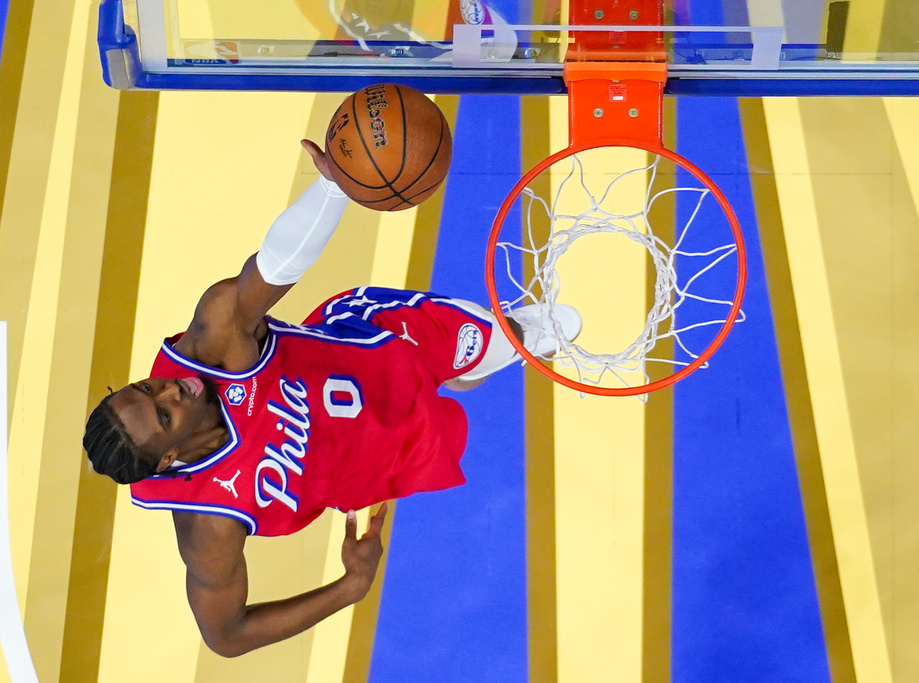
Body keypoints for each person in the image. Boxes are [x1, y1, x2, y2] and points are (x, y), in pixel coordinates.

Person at [82, 140, 580, 657]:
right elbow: (226, 636)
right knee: (458, 395)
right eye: (165, 413)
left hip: (376, 347)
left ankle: (485, 351)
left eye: (146, 385)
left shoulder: (211, 343)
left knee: (504, 338)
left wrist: (333, 188)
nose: (169, 388)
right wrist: (349, 589)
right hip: (379, 458)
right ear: (168, 458)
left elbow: (270, 269)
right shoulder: (209, 524)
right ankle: (464, 373)